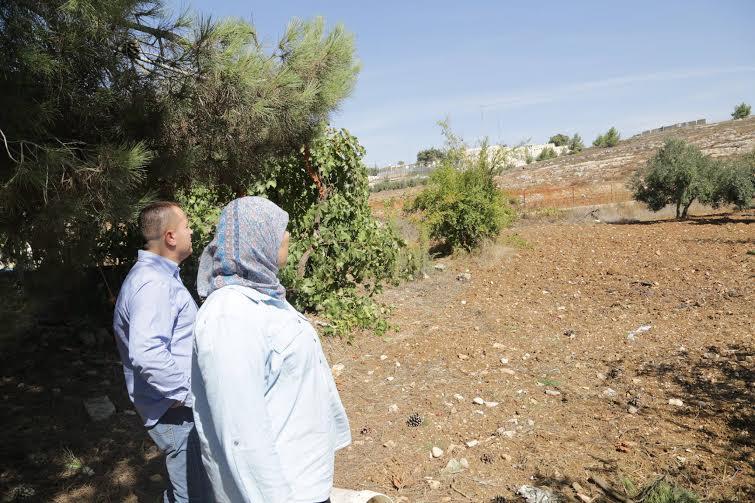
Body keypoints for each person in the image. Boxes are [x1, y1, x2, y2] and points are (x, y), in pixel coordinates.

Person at [191, 196, 351, 503]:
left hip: (304, 479)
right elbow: (242, 435)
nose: (287, 234)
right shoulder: (229, 315)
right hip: (284, 491)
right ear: (258, 238)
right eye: (280, 228)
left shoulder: (263, 296)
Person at [113, 201, 212, 502]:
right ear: (170, 236)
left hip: (176, 408)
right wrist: (188, 396)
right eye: (186, 226)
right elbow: (147, 353)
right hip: (177, 413)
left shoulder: (160, 276)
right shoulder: (153, 283)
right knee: (193, 496)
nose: (191, 231)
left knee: (193, 490)